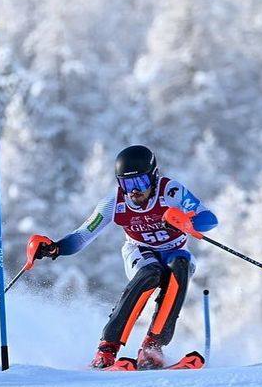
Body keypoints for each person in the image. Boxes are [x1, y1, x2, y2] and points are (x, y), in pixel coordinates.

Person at [25, 144, 218, 369]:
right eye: (127, 184)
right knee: (151, 273)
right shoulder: (113, 203)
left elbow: (209, 219)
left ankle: (152, 347)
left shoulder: (171, 192)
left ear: (154, 177)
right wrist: (55, 248)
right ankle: (106, 350)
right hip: (140, 251)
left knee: (181, 263)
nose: (134, 191)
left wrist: (188, 222)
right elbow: (82, 236)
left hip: (173, 250)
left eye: (140, 183)